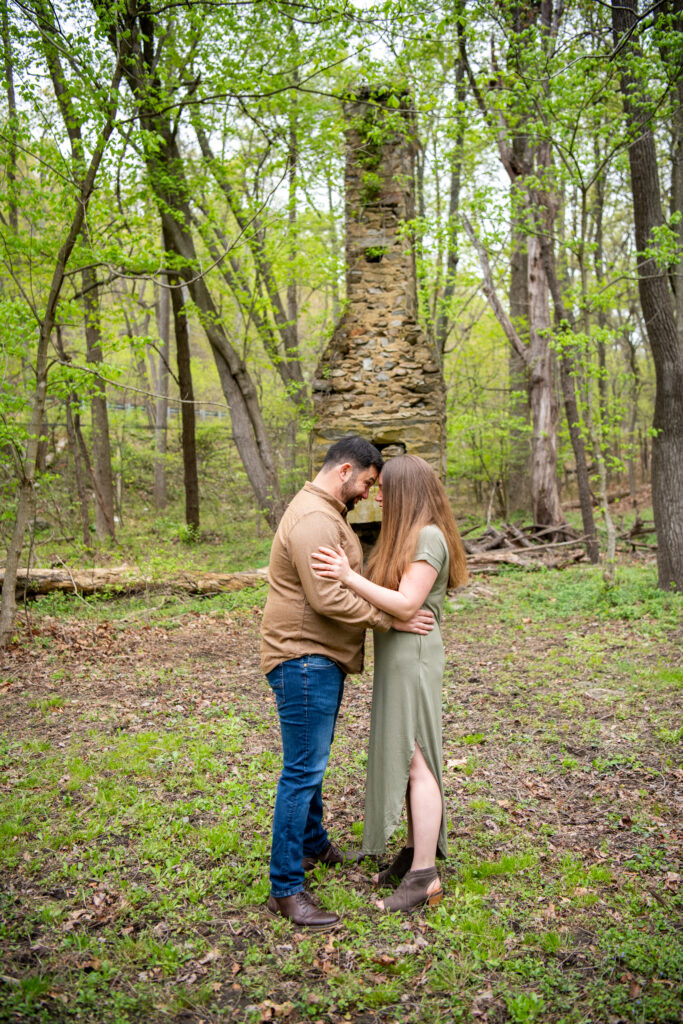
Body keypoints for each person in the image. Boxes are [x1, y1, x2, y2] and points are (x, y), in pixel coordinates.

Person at [261, 437, 435, 930]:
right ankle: (286, 889)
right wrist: (390, 618)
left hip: (316, 659)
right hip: (304, 658)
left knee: (310, 763)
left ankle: (313, 844)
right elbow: (327, 598)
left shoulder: (324, 510)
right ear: (343, 471)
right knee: (302, 771)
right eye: (366, 482)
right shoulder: (316, 520)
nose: (367, 492)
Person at [312, 454, 468, 912]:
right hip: (400, 657)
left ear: (406, 491)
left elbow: (405, 603)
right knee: (407, 752)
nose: (377, 495)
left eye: (385, 488)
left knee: (416, 758)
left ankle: (424, 876)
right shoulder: (406, 536)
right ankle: (414, 853)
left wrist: (346, 577)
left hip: (415, 658)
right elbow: (396, 604)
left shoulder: (430, 537)